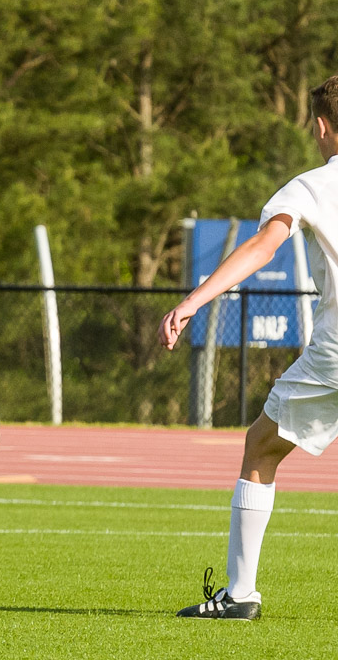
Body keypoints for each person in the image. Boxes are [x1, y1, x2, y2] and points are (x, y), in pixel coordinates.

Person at [160, 75, 338, 620]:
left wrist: (194, 300)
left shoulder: (310, 186)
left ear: (322, 126)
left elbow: (264, 246)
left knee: (261, 445)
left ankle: (240, 595)